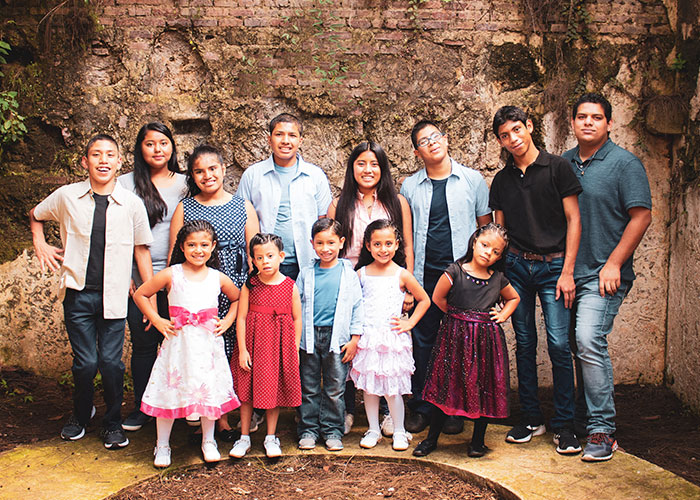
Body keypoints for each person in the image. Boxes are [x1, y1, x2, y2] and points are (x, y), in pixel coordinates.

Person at [29, 134, 153, 449]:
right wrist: (39, 242)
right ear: (85, 161)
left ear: (119, 162)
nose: (103, 160)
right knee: (85, 363)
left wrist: (148, 297)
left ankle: (112, 423)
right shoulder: (67, 196)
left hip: (115, 295)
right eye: (96, 154)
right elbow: (36, 214)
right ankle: (81, 414)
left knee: (112, 364)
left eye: (109, 154)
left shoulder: (131, 203)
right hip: (78, 294)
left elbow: (141, 252)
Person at [562, 93, 652, 462]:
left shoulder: (624, 164)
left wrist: (614, 263)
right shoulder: (563, 163)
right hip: (567, 274)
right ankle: (584, 418)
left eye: (596, 117)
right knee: (574, 345)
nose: (588, 122)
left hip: (604, 275)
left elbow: (641, 216)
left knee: (587, 339)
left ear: (609, 123)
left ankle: (602, 430)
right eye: (581, 116)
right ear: (573, 122)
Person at [489, 106, 583, 454]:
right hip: (516, 267)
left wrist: (569, 271)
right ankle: (531, 417)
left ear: (529, 127)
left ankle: (565, 425)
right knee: (524, 343)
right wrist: (500, 279)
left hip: (554, 267)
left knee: (559, 344)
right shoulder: (501, 180)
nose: (513, 139)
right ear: (499, 140)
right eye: (504, 135)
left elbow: (574, 220)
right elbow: (499, 231)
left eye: (517, 129)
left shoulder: (558, 168)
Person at [400, 119, 492, 434]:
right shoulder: (409, 187)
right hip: (425, 274)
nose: (432, 142)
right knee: (422, 340)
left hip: (463, 276)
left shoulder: (473, 180)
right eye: (424, 140)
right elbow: (407, 235)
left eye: (436, 136)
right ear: (417, 151)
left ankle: (453, 409)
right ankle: (422, 406)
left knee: (460, 341)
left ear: (447, 139)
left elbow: (485, 228)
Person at [134, 220, 241, 467]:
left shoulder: (217, 277)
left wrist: (227, 322)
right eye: (192, 244)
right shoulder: (172, 274)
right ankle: (162, 445)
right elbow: (141, 294)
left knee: (207, 390)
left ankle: (208, 441)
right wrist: (157, 320)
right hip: (178, 346)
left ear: (213, 246)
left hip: (207, 347)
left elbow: (237, 299)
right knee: (169, 391)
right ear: (182, 247)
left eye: (204, 244)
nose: (198, 250)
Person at [169, 144, 259, 438]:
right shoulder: (186, 207)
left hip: (235, 286)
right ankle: (212, 418)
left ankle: (231, 413)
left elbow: (253, 252)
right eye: (199, 171)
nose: (207, 175)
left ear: (223, 169)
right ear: (192, 176)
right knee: (203, 351)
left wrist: (250, 292)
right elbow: (175, 255)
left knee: (232, 351)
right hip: (199, 289)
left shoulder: (242, 205)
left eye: (212, 168)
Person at [327, 141, 414, 436]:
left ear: (382, 168)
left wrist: (409, 290)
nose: (367, 169)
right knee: (353, 346)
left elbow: (409, 247)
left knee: (385, 347)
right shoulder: (339, 205)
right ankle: (349, 409)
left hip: (387, 284)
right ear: (352, 168)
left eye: (374, 164)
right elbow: (332, 250)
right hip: (351, 285)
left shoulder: (396, 203)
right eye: (361, 163)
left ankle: (391, 414)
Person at [413, 223, 520, 458]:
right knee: (445, 388)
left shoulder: (498, 279)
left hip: (486, 343)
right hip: (454, 339)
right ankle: (431, 439)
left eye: (495, 251)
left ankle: (477, 442)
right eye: (484, 245)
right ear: (474, 242)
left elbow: (513, 298)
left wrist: (502, 315)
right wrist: (457, 318)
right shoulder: (454, 272)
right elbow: (438, 298)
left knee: (482, 388)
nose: (488, 253)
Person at [119, 122, 188, 432]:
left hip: (181, 276)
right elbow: (119, 234)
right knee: (145, 342)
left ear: (172, 147)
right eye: (150, 144)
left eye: (163, 143)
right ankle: (142, 407)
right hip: (138, 276)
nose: (158, 149)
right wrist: (136, 281)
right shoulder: (124, 184)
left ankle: (187, 406)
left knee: (184, 343)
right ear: (140, 148)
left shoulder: (186, 183)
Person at [350, 219, 430, 451]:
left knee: (392, 388)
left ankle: (398, 430)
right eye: (377, 244)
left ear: (396, 245)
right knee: (370, 388)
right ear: (368, 246)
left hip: (393, 339)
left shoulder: (402, 275)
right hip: (369, 338)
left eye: (388, 243)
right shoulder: (361, 274)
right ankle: (373, 429)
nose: (383, 249)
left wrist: (410, 323)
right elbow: (354, 305)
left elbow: (424, 299)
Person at [229, 233, 303, 458]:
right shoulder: (250, 285)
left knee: (273, 391)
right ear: (253, 260)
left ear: (281, 256)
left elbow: (297, 318)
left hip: (277, 347)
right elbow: (241, 318)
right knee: (247, 392)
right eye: (259, 258)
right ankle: (244, 437)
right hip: (252, 345)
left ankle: (271, 437)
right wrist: (242, 350)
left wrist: (294, 350)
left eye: (270, 256)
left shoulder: (290, 286)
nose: (265, 262)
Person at [237, 113, 332, 281]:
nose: (285, 141)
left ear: (300, 141)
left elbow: (323, 219)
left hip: (306, 264)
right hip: (264, 264)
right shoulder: (252, 175)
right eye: (279, 134)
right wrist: (251, 259)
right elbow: (241, 220)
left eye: (292, 135)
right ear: (269, 139)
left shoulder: (315, 175)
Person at [296, 218, 364, 451]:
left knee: (335, 388)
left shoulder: (348, 272)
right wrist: (298, 340)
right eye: (320, 243)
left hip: (338, 338)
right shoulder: (306, 273)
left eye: (331, 242)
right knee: (310, 386)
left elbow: (357, 306)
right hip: (310, 338)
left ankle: (332, 429)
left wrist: (355, 339)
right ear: (312, 244)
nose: (326, 248)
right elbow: (297, 307)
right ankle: (308, 429)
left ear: (341, 242)